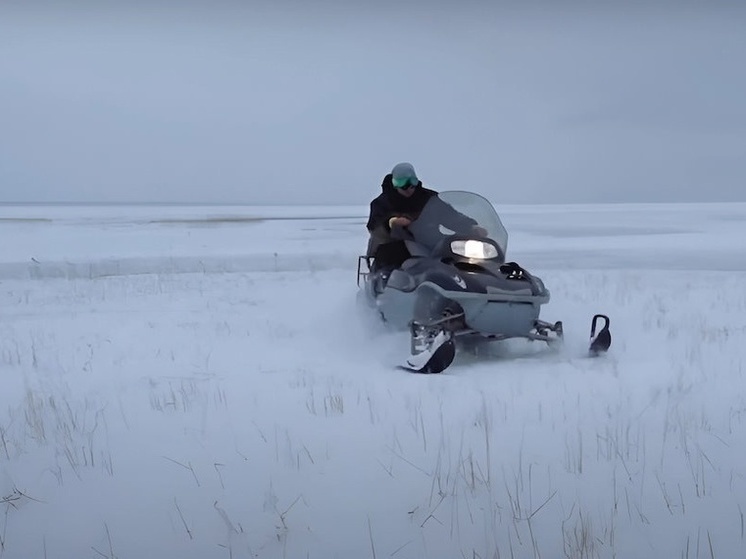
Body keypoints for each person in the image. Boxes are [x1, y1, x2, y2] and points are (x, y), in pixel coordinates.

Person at [365, 162, 486, 272]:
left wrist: (470, 226)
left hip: (429, 243)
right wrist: (391, 222)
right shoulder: (381, 203)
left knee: (458, 251)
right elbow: (374, 226)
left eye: (411, 182)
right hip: (396, 245)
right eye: (401, 183)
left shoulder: (429, 199)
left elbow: (450, 216)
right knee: (390, 255)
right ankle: (385, 288)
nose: (407, 187)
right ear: (394, 183)